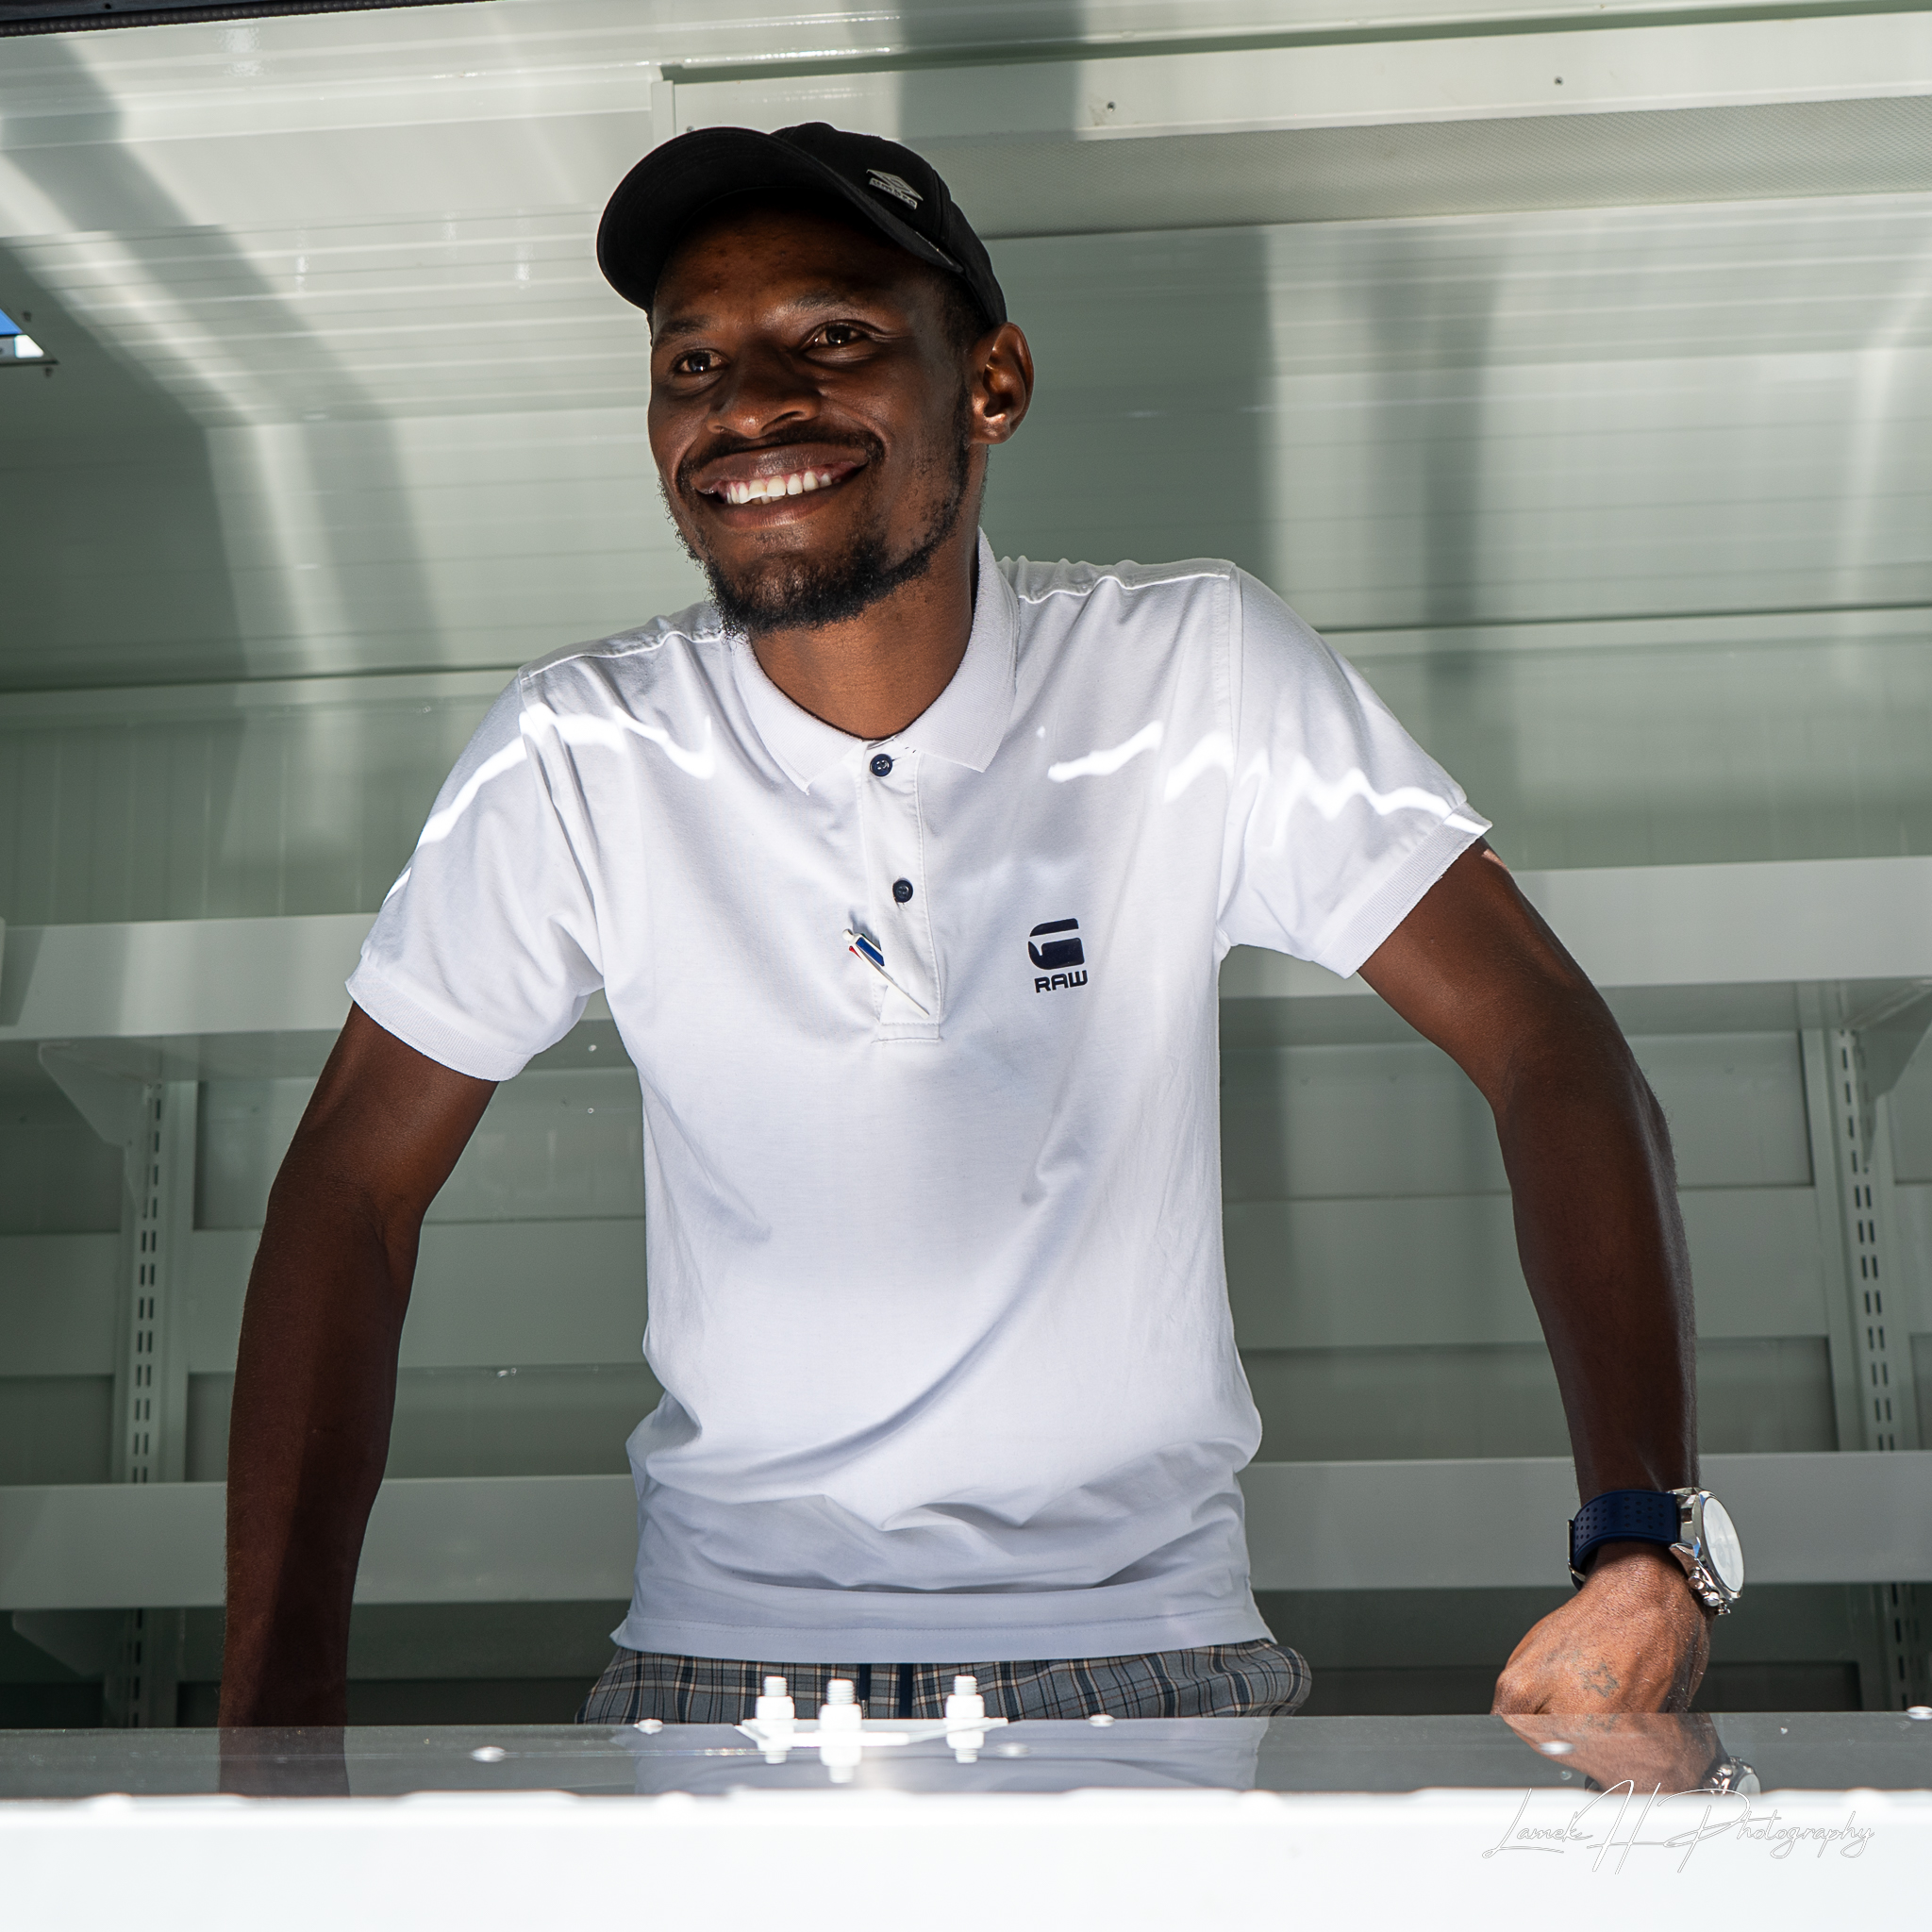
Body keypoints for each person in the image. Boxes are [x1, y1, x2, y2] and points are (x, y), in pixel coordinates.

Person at [218, 125, 1727, 1731]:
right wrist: (274, 1702)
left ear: (991, 381)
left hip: (1154, 1669)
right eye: (693, 360)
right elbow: (353, 1187)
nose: (745, 406)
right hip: (719, 1681)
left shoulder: (1190, 678)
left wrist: (1646, 1546)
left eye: (838, 337)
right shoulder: (579, 750)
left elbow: (1553, 1048)